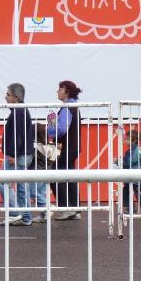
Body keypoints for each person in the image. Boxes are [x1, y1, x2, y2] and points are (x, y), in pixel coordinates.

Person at [0, 83, 34, 226]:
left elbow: (17, 135)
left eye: (8, 94)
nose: (5, 97)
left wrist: (13, 154)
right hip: (23, 154)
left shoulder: (18, 112)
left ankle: (15, 213)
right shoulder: (20, 111)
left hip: (19, 155)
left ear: (17, 97)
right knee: (22, 187)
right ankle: (25, 217)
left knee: (2, 180)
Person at [49, 80, 82, 221]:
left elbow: (60, 130)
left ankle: (66, 208)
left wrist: (50, 125)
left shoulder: (67, 108)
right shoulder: (75, 107)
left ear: (67, 92)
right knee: (70, 178)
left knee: (55, 176)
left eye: (60, 89)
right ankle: (75, 210)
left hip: (65, 149)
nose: (57, 91)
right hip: (73, 148)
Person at [121, 128, 141, 213]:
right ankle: (129, 208)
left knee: (137, 190)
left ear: (134, 141)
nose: (125, 141)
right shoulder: (130, 151)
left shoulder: (136, 150)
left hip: (137, 174)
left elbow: (131, 161)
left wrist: (120, 162)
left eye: (127, 139)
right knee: (126, 189)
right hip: (132, 173)